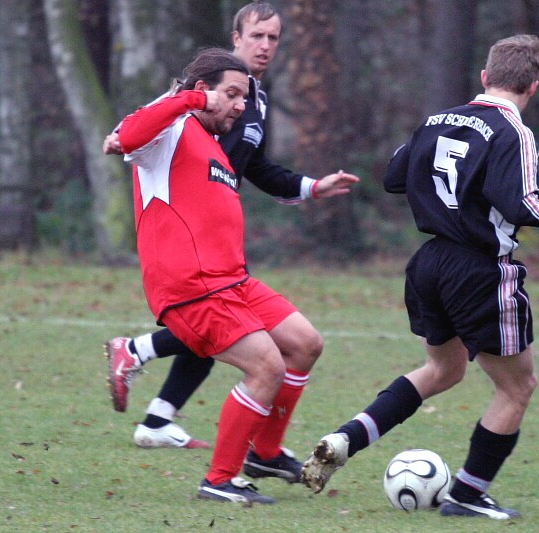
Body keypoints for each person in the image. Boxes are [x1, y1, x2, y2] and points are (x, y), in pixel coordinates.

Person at [300, 34, 539, 520]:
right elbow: (523, 206)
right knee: (517, 387)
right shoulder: (514, 132)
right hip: (479, 269)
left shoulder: (437, 120)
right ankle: (467, 494)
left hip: (429, 265)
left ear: (485, 77)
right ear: (533, 86)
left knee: (442, 371)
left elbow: (394, 177)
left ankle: (346, 438)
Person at [104, 0, 358, 486]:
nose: (266, 45)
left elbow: (257, 168)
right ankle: (218, 475)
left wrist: (311, 187)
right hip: (195, 274)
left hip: (227, 268)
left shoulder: (244, 108)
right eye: (257, 35)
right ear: (236, 37)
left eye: (274, 37)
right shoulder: (188, 108)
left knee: (304, 344)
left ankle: (243, 446)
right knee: (262, 363)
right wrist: (130, 131)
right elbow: (135, 130)